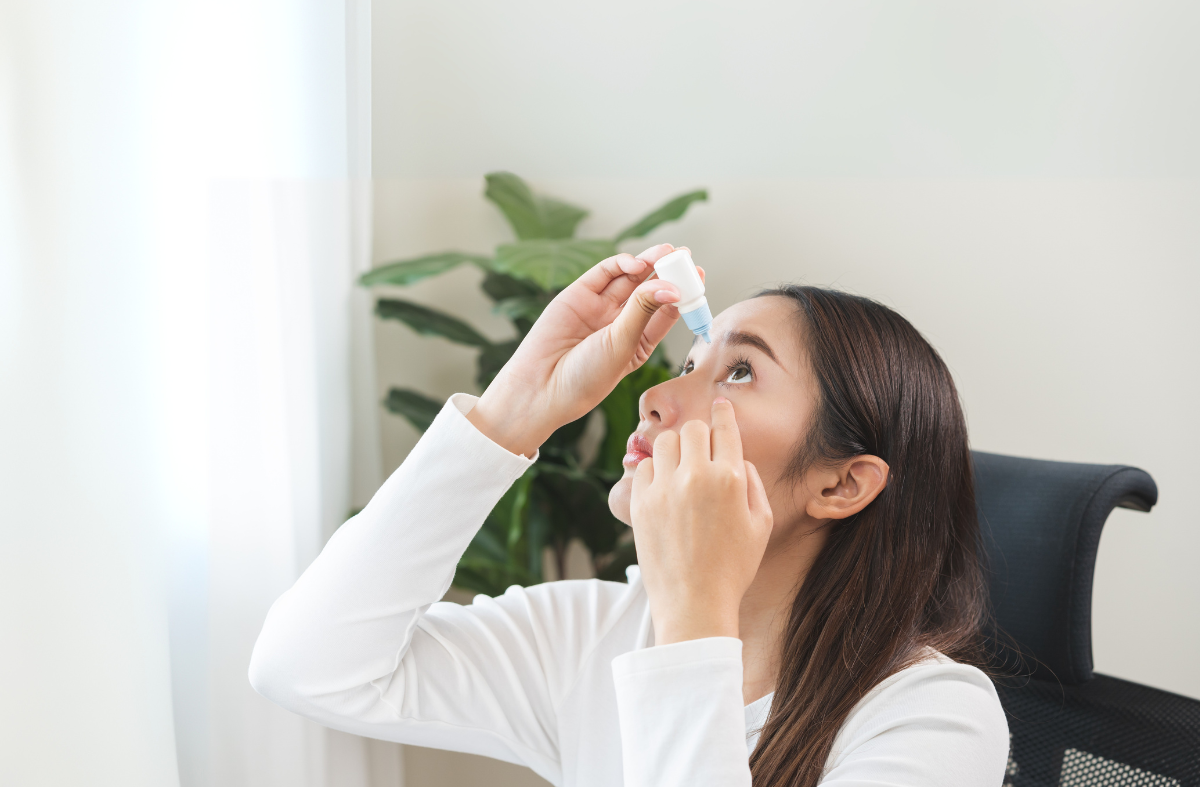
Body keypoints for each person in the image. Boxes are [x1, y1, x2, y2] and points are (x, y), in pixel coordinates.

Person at [249, 243, 1010, 786]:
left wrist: (696, 613)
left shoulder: (935, 721)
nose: (653, 395)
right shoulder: (593, 637)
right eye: (686, 365)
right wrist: (513, 413)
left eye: (740, 371)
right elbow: (308, 668)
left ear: (842, 486)